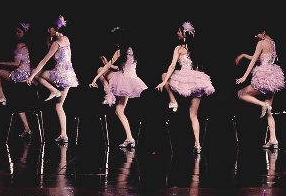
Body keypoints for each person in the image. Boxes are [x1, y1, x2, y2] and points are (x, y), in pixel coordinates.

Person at [156, 22, 214, 153]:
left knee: (164, 75)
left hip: (184, 80)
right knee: (193, 115)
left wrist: (164, 82)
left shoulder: (179, 48)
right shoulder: (197, 48)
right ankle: (197, 145)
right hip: (197, 81)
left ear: (185, 34)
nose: (177, 33)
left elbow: (172, 66)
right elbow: (202, 68)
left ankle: (173, 101)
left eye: (179, 31)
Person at [90, 27, 147, 148]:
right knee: (119, 110)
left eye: (116, 42)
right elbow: (120, 67)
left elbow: (106, 68)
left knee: (100, 69)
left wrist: (95, 79)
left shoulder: (120, 51)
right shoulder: (133, 50)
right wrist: (108, 63)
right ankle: (130, 138)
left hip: (122, 80)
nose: (116, 45)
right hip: (131, 81)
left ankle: (106, 87)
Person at [27, 15, 78, 143]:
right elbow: (49, 45)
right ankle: (64, 135)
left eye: (49, 28)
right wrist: (50, 37)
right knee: (59, 105)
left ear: (55, 28)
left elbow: (44, 61)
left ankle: (53, 90)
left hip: (59, 75)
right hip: (69, 77)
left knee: (34, 71)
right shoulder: (66, 39)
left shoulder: (56, 43)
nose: (47, 30)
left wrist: (31, 77)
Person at [235, 25, 285, 149]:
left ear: (263, 32)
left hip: (264, 76)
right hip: (274, 77)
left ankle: (263, 104)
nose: (255, 36)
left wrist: (244, 77)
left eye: (256, 34)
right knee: (269, 111)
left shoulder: (261, 43)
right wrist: (244, 55)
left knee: (240, 94)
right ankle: (273, 139)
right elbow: (260, 58)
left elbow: (254, 61)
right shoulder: (272, 43)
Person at [0, 22, 33, 138]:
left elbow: (16, 64)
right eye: (16, 32)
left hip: (20, 76)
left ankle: (1, 96)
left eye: (19, 31)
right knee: (18, 102)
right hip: (28, 76)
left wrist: (1, 62)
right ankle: (27, 128)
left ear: (24, 32)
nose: (17, 34)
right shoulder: (27, 45)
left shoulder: (20, 45)